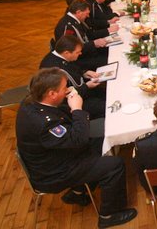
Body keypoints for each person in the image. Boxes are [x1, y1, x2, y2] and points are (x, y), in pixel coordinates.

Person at [16, 68, 137, 227]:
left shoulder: (32, 101)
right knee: (115, 165)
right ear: (52, 94)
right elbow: (79, 140)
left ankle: (78, 192)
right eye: (64, 88)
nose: (68, 90)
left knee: (101, 140)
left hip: (56, 154)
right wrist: (77, 109)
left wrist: (81, 92)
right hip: (55, 172)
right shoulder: (44, 123)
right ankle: (109, 215)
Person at [40, 35, 106, 119]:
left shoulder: (61, 56)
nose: (80, 54)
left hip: (82, 91)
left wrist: (84, 73)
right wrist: (86, 86)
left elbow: (73, 68)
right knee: (105, 105)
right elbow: (64, 96)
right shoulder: (53, 70)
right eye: (77, 52)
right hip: (73, 103)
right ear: (67, 53)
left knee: (106, 92)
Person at [54, 0, 117, 70]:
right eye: (87, 14)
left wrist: (106, 32)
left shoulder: (75, 20)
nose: (88, 16)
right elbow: (70, 49)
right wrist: (94, 43)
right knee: (112, 59)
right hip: (78, 59)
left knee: (114, 50)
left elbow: (88, 34)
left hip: (86, 50)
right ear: (78, 12)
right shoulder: (67, 26)